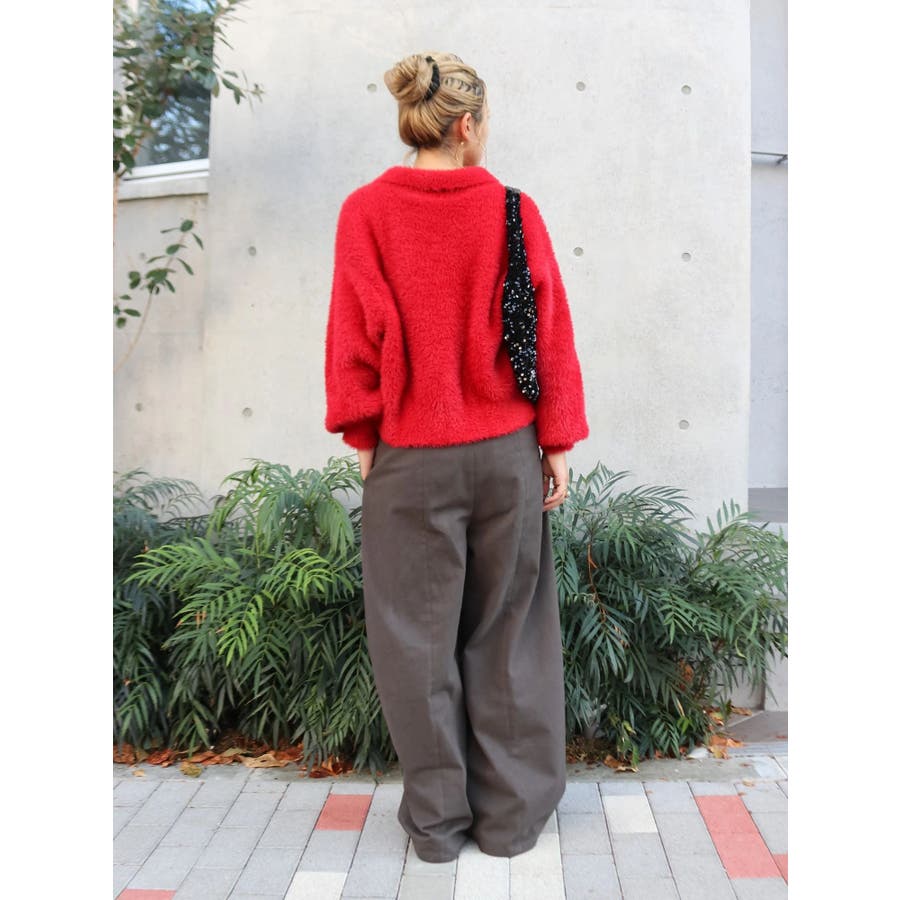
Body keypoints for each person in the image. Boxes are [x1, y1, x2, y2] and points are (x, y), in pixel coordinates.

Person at [324, 51, 590, 863]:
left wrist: (363, 439)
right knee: (508, 636)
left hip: (410, 457)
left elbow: (352, 336)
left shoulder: (366, 212)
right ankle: (509, 824)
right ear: (467, 124)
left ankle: (437, 829)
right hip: (505, 454)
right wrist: (555, 440)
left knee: (414, 642)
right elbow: (548, 329)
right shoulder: (512, 208)